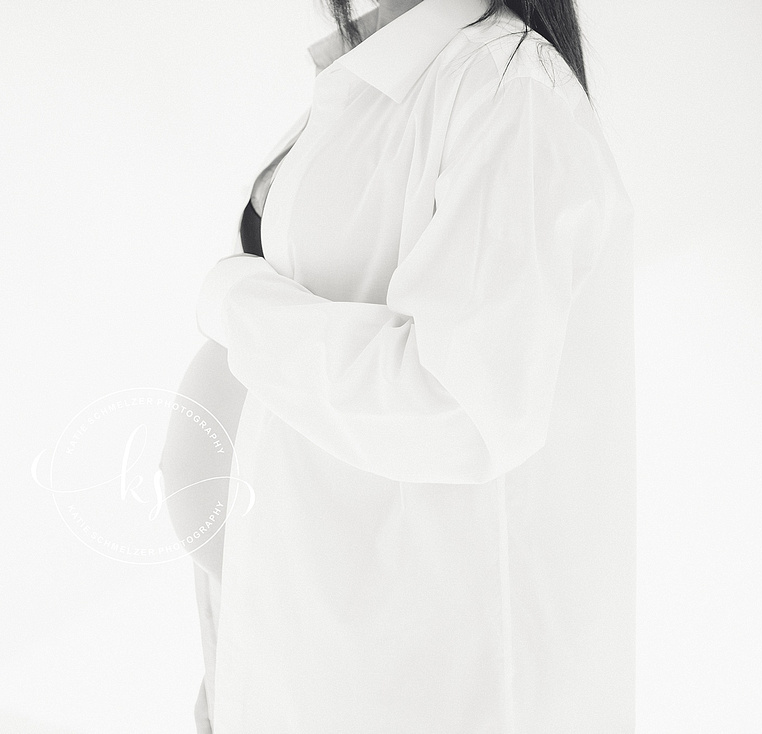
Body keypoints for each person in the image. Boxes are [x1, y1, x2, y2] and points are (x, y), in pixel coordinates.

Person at [162, 0, 636, 731]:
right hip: (288, 636)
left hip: (403, 674)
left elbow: (459, 405)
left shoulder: (509, 90)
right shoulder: (379, 74)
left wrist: (234, 301)